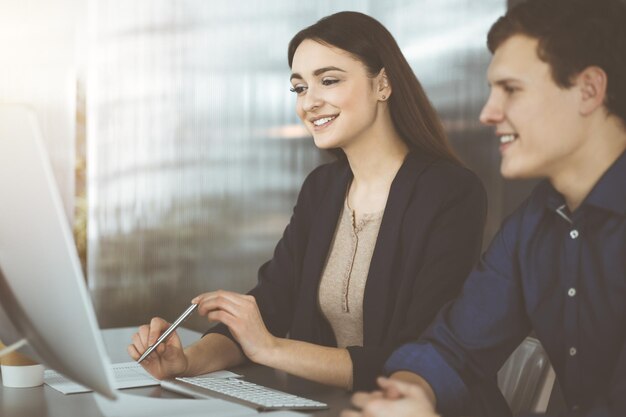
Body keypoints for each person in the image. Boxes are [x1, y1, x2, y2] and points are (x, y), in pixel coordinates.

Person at [128, 11, 487, 391]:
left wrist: (270, 348)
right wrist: (186, 361)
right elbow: (271, 304)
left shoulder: (451, 193)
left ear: (382, 84)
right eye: (299, 88)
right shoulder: (323, 188)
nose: (308, 103)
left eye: (328, 81)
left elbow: (419, 355)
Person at [343, 0, 626, 415]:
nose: (487, 113)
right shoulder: (535, 223)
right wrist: (407, 395)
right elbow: (453, 347)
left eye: (511, 89)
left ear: (588, 90)